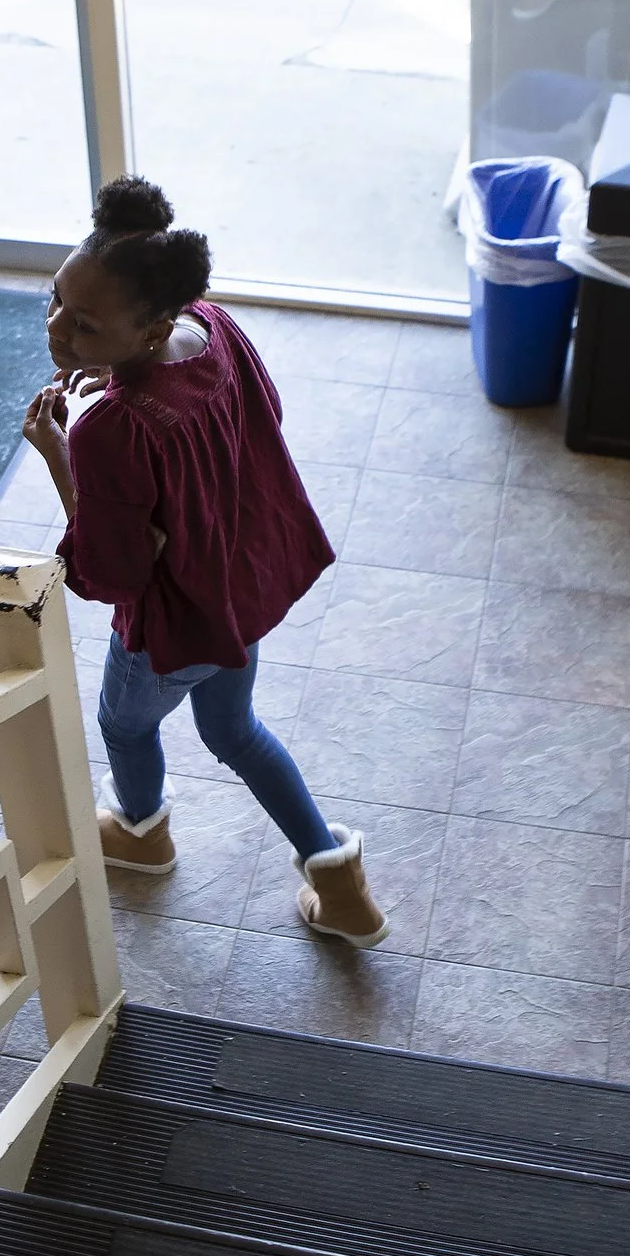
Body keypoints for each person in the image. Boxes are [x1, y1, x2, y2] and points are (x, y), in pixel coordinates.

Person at [21, 176, 388, 947]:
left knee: (122, 722)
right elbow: (261, 416)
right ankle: (338, 880)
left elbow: (110, 572)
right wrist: (119, 369)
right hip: (237, 587)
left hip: (177, 619)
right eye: (55, 298)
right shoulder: (214, 327)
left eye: (85, 326)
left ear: (150, 330)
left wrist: (62, 453)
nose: (58, 329)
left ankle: (142, 831)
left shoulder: (106, 433)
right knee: (234, 729)